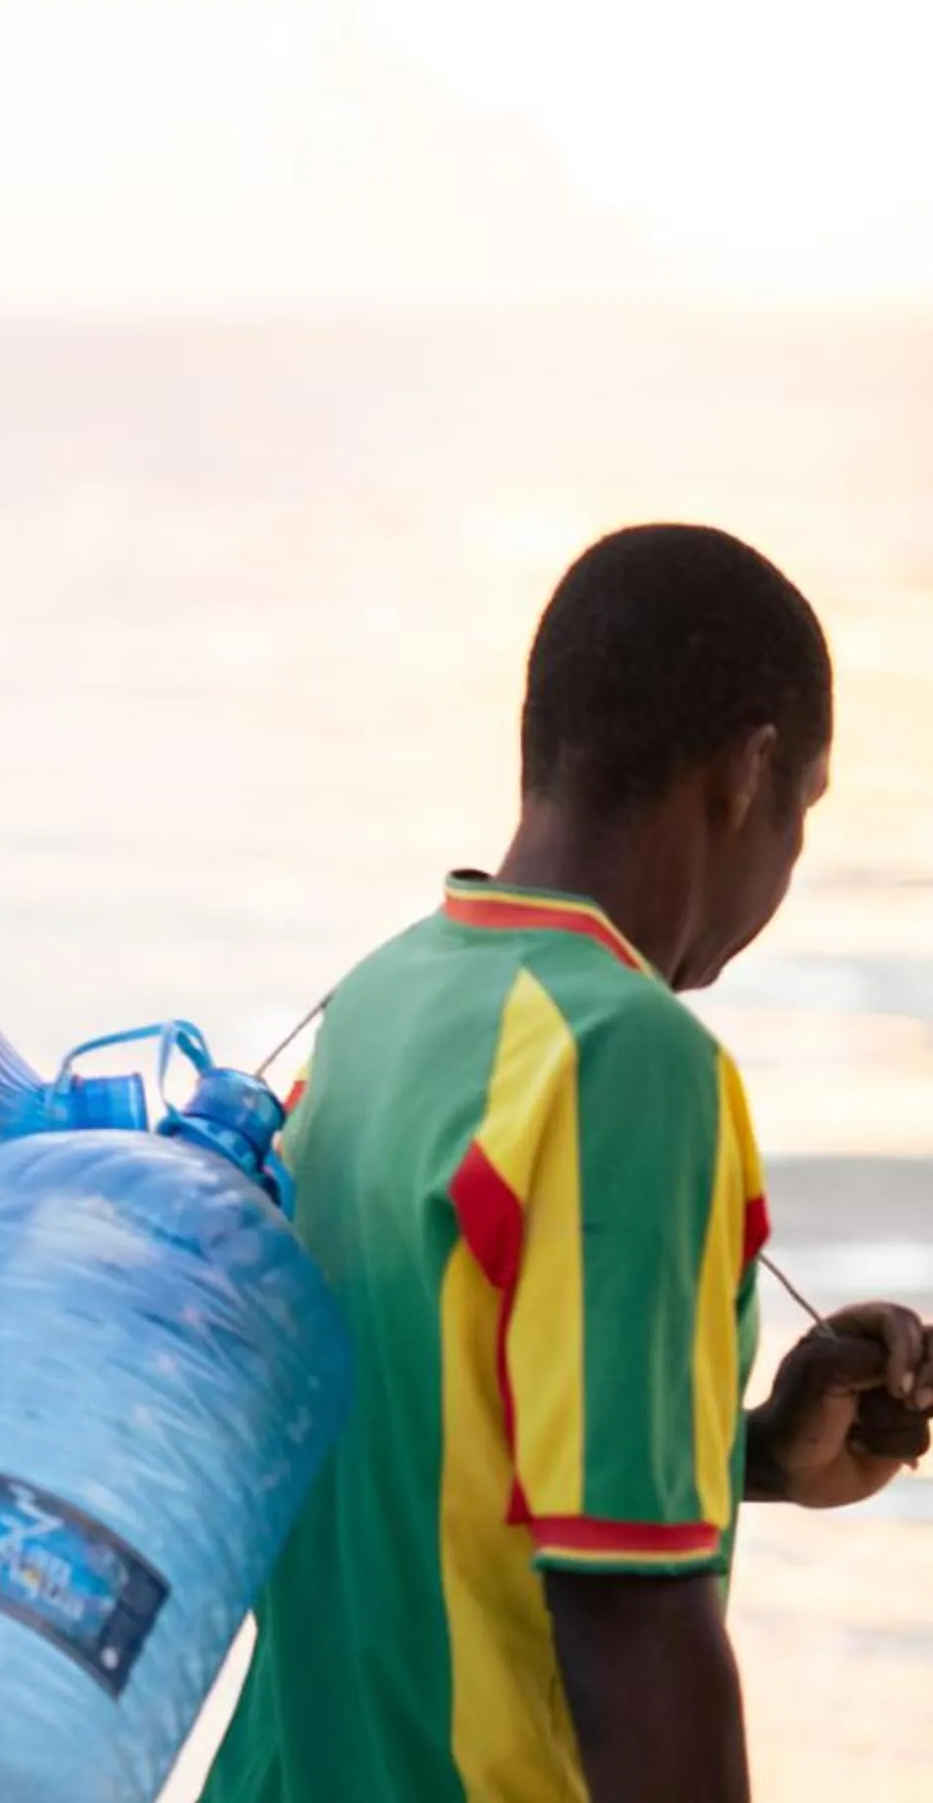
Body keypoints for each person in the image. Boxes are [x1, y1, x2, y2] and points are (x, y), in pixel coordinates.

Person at [203, 524, 933, 1803]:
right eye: (804, 812)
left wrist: (755, 1453)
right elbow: (631, 1625)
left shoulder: (385, 1001)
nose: (791, 863)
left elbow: (438, 1451)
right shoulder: (626, 1058)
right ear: (748, 774)